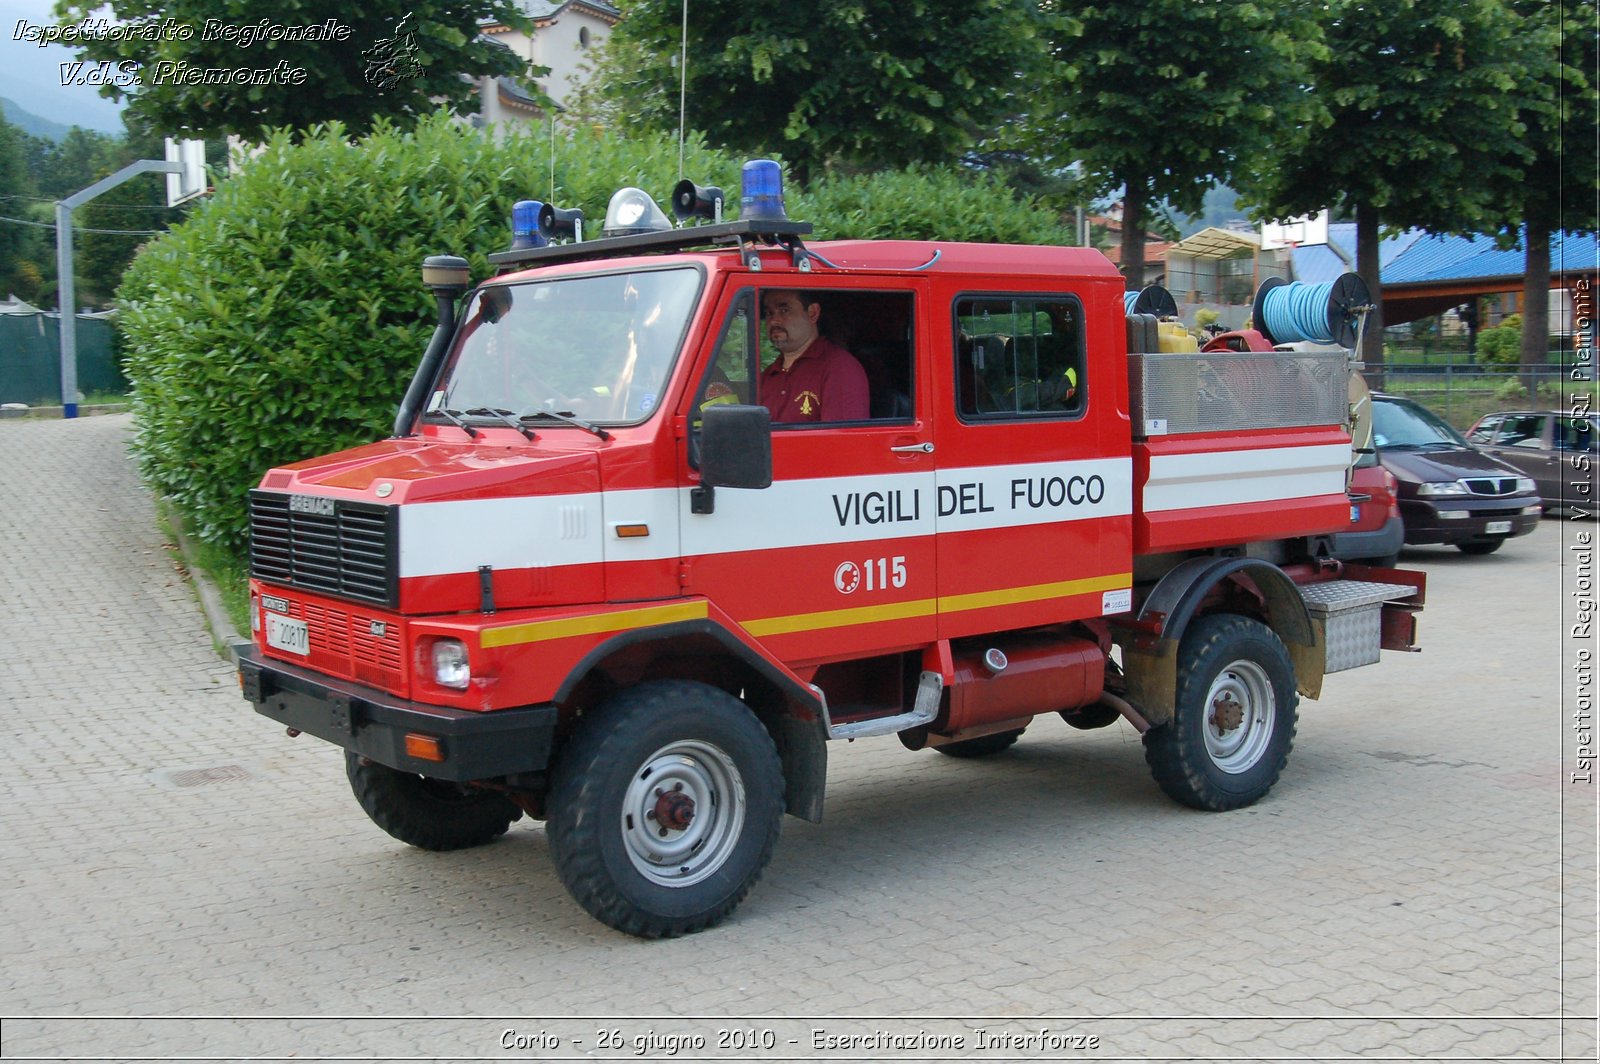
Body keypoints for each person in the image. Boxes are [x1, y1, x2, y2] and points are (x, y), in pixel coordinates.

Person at [758, 290, 869, 423]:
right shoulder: (768, 375)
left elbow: (842, 440)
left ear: (812, 313)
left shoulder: (840, 368)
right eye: (769, 313)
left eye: (784, 310)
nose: (774, 321)